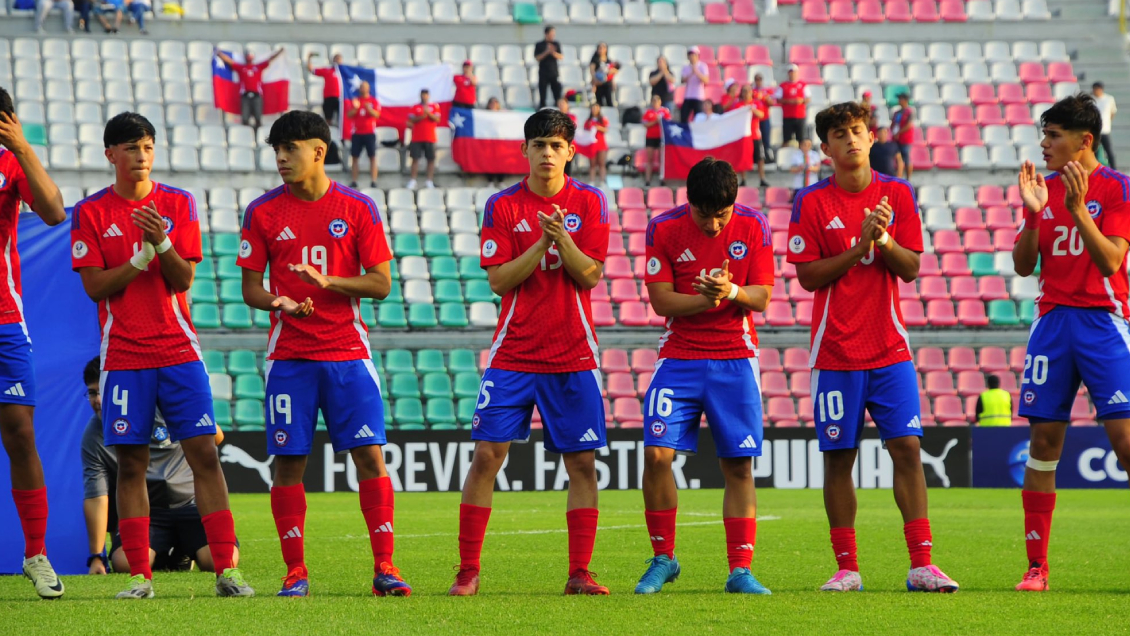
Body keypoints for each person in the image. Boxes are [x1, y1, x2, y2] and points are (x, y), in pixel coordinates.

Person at [70, 112, 252, 600]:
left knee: (204, 455)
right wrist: (137, 262)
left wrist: (162, 242)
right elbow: (94, 288)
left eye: (148, 146)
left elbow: (184, 278)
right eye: (131, 147)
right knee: (131, 463)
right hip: (124, 355)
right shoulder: (91, 212)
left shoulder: (178, 202)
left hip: (178, 350)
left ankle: (227, 572)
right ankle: (139, 578)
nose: (142, 156)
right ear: (111, 154)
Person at [786, 102, 959, 593]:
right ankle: (847, 568)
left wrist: (881, 239)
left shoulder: (897, 193)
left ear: (870, 137)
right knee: (839, 458)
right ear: (826, 148)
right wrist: (859, 248)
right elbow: (807, 277)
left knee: (907, 448)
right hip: (835, 352)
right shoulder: (810, 201)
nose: (851, 140)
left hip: (889, 348)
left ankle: (922, 565)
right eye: (840, 134)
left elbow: (911, 268)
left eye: (857, 130)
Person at [237, 110, 409, 598]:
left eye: (290, 148)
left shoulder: (357, 207)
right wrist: (281, 302)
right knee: (289, 464)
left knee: (369, 457)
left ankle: (385, 567)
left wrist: (330, 281)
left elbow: (381, 283)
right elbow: (250, 288)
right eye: (276, 149)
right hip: (289, 358)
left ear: (319, 151)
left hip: (348, 353)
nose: (281, 157)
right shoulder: (262, 211)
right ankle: (295, 572)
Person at [448, 109, 611, 597]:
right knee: (486, 456)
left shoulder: (591, 201)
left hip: (573, 353)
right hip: (514, 353)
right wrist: (542, 244)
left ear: (571, 152)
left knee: (581, 464)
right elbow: (499, 280)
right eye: (538, 145)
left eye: (556, 146)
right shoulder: (502, 205)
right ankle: (468, 571)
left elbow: (591, 275)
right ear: (525, 150)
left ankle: (580, 573)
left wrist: (563, 239)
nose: (547, 154)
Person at [636, 158, 775, 596]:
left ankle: (740, 570)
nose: (713, 225)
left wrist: (730, 290)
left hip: (736, 356)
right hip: (679, 357)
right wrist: (708, 298)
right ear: (688, 201)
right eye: (703, 214)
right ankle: (664, 559)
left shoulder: (754, 225)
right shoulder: (663, 228)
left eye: (722, 214)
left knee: (738, 464)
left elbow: (762, 297)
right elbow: (661, 302)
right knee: (657, 455)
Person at [1010, 93, 1130, 592]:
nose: (1044, 144)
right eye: (1044, 134)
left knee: (1126, 443)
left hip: (1104, 324)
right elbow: (1023, 265)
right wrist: (1033, 215)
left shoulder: (1118, 187)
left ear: (1085, 140)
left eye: (1054, 135)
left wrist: (1079, 211)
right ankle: (1036, 567)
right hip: (1053, 324)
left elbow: (1111, 261)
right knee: (1042, 444)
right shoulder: (1046, 188)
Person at [0, 87, 68, 600]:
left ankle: (36, 554)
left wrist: (22, 147)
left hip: (5, 319)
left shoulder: (9, 163)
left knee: (21, 434)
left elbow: (54, 213)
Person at [79, 357, 238, 576]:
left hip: (191, 505)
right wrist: (97, 556)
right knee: (125, 564)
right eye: (92, 393)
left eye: (103, 391)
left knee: (222, 560)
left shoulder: (162, 407)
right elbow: (97, 496)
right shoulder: (93, 436)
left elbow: (216, 437)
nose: (98, 400)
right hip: (147, 512)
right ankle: (172, 554)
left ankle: (182, 549)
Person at [214, 48, 286, 133]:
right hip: (245, 97)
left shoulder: (258, 67)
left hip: (257, 96)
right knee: (245, 119)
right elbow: (230, 61)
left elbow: (270, 59)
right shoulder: (241, 68)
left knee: (258, 119)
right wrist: (220, 54)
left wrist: (279, 52)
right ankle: (246, 135)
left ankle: (257, 135)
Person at [728, 85, 768, 187]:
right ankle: (743, 179)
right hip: (744, 135)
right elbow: (734, 117)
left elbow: (762, 115)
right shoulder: (738, 105)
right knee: (743, 157)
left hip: (755, 135)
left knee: (760, 158)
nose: (746, 93)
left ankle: (762, 179)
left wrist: (752, 110)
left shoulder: (756, 103)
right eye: (744, 91)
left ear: (751, 92)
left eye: (748, 91)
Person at [347, 80, 380, 189]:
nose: (363, 89)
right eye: (361, 87)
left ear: (368, 88)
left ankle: (374, 180)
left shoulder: (373, 101)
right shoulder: (356, 101)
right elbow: (349, 115)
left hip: (369, 133)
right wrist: (356, 108)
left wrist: (369, 108)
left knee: (372, 157)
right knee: (355, 157)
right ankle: (354, 180)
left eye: (364, 87)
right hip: (357, 133)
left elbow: (377, 115)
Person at [406, 89, 441, 190]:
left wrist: (428, 114)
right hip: (417, 137)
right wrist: (423, 116)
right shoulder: (415, 107)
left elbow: (437, 119)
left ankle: (429, 181)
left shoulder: (434, 106)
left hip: (430, 137)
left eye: (426, 95)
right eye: (422, 95)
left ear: (428, 96)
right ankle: (413, 181)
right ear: (420, 96)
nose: (424, 97)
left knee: (430, 160)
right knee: (415, 159)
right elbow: (411, 119)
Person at [776, 65, 810, 147]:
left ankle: (802, 154)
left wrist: (801, 101)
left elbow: (808, 98)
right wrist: (790, 101)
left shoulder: (803, 85)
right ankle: (785, 153)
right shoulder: (783, 85)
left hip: (800, 116)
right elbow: (778, 99)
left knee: (801, 139)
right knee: (786, 139)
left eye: (794, 72)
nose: (792, 74)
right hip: (787, 116)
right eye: (790, 72)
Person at [642, 94, 671, 186]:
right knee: (649, 158)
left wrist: (660, 121)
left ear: (660, 102)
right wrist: (656, 121)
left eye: (657, 101)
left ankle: (662, 179)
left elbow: (668, 123)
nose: (655, 103)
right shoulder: (648, 112)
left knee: (661, 158)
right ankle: (647, 180)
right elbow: (645, 124)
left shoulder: (665, 111)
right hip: (650, 137)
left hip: (661, 137)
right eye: (653, 101)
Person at [306, 53, 343, 125]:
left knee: (341, 119)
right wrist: (309, 58)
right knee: (328, 120)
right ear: (333, 60)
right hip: (328, 97)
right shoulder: (327, 70)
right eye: (336, 59)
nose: (337, 61)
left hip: (340, 98)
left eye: (339, 59)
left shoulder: (344, 72)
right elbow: (311, 70)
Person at [534, 26, 564, 109]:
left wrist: (552, 52)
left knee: (557, 94)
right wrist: (546, 52)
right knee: (543, 94)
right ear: (546, 34)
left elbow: (561, 56)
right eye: (551, 34)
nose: (553, 35)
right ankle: (542, 109)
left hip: (553, 72)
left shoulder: (556, 44)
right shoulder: (539, 44)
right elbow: (537, 58)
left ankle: (557, 109)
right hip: (543, 72)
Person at [680, 47, 710, 124]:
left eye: (694, 55)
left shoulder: (703, 66)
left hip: (698, 96)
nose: (692, 57)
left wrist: (697, 72)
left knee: (698, 118)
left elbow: (706, 80)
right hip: (688, 95)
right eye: (690, 55)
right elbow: (682, 80)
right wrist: (691, 73)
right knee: (683, 117)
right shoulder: (685, 67)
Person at [890, 93, 915, 181]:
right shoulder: (897, 112)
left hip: (905, 139)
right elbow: (893, 124)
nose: (899, 101)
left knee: (906, 158)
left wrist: (899, 133)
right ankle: (898, 177)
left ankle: (908, 179)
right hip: (896, 139)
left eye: (901, 99)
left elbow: (909, 125)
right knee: (897, 158)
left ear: (906, 100)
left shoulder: (909, 112)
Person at [752, 74, 776, 164]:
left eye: (760, 79)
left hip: (764, 118)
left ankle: (768, 157)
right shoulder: (752, 91)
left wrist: (764, 97)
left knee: (766, 139)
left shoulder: (767, 91)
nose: (758, 81)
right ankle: (755, 158)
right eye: (757, 80)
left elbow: (772, 103)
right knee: (755, 140)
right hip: (755, 120)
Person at [1092, 82, 1117, 169]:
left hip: (1105, 130)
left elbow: (1112, 112)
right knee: (1093, 152)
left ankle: (1114, 169)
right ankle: (1094, 170)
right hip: (1094, 131)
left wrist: (1107, 122)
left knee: (1109, 151)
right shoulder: (1091, 100)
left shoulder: (1109, 99)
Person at [584, 103, 609, 184]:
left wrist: (598, 128)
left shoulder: (603, 120)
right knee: (592, 164)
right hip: (591, 145)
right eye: (593, 108)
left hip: (601, 145)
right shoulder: (588, 121)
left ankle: (602, 182)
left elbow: (606, 129)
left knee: (602, 164)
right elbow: (585, 131)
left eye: (596, 108)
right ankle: (592, 181)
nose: (594, 110)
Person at [485, 97, 506, 186]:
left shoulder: (503, 114)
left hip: (500, 141)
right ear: (488, 105)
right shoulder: (484, 115)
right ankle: (490, 181)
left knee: (501, 160)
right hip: (489, 142)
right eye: (491, 102)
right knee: (489, 159)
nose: (494, 104)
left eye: (496, 102)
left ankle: (500, 180)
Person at [589, 43, 616, 108]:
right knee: (599, 102)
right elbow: (592, 71)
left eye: (603, 48)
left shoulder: (608, 60)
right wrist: (595, 82)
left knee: (609, 101)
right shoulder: (595, 60)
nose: (601, 50)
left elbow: (611, 72)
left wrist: (613, 82)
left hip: (607, 83)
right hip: (598, 83)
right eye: (600, 48)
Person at [557, 97, 577, 177]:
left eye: (563, 103)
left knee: (567, 166)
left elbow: (571, 128)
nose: (561, 105)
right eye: (560, 103)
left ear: (567, 105)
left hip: (569, 144)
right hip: (558, 144)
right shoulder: (555, 117)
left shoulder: (572, 116)